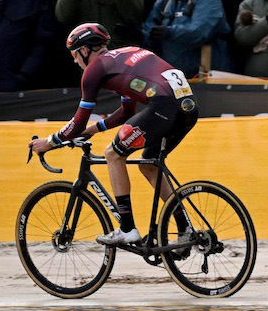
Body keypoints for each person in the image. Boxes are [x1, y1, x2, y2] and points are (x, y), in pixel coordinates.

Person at [30, 23, 201, 246]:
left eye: (74, 54)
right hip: (188, 107)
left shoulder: (94, 70)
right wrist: (92, 131)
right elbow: (126, 113)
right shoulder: (125, 55)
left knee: (113, 154)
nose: (74, 61)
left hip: (163, 105)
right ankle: (185, 228)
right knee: (149, 165)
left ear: (84, 50)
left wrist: (50, 142)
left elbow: (79, 120)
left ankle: (127, 228)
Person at [143, 0, 229, 76]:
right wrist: (138, 35)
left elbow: (200, 32)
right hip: (173, 78)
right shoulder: (165, 1)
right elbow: (148, 31)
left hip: (206, 78)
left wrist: (169, 32)